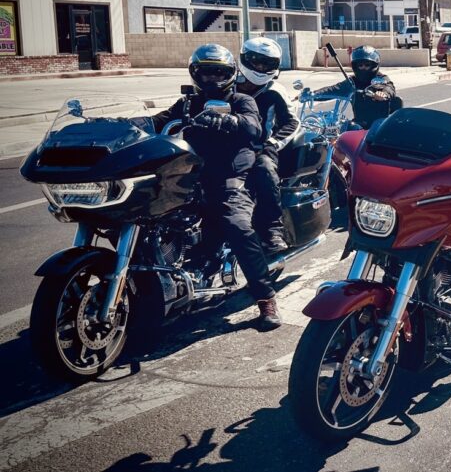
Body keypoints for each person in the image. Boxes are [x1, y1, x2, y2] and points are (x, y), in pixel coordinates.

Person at [149, 44, 281, 330]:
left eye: (218, 73)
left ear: (230, 74)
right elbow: (159, 120)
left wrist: (229, 120)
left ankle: (265, 298)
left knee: (237, 226)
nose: (211, 80)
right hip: (188, 179)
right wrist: (125, 124)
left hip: (229, 179)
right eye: (205, 73)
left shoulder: (241, 99)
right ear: (195, 74)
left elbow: (253, 127)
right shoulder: (187, 104)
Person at [236, 37, 298, 254]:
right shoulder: (229, 84)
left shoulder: (274, 90)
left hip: (260, 148)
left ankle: (273, 229)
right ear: (244, 59)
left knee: (265, 169)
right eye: (256, 61)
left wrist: (272, 143)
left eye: (267, 63)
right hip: (226, 146)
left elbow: (292, 122)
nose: (261, 68)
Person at [313, 45, 397, 130]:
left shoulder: (381, 78)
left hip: (379, 126)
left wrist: (384, 94)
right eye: (360, 65)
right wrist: (312, 94)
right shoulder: (353, 81)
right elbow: (334, 89)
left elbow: (389, 87)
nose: (363, 68)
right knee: (345, 130)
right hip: (359, 124)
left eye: (367, 65)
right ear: (355, 66)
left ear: (374, 65)